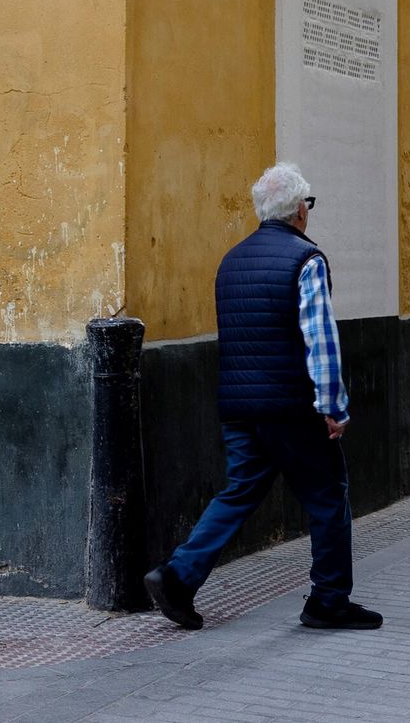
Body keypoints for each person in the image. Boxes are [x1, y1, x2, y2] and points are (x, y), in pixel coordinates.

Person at [143, 162, 382, 631]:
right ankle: (328, 600)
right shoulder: (305, 260)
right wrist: (333, 407)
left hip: (239, 408)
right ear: (298, 210)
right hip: (292, 408)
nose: (307, 213)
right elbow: (321, 341)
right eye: (307, 205)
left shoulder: (230, 261)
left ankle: (176, 577)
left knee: (238, 493)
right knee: (328, 497)